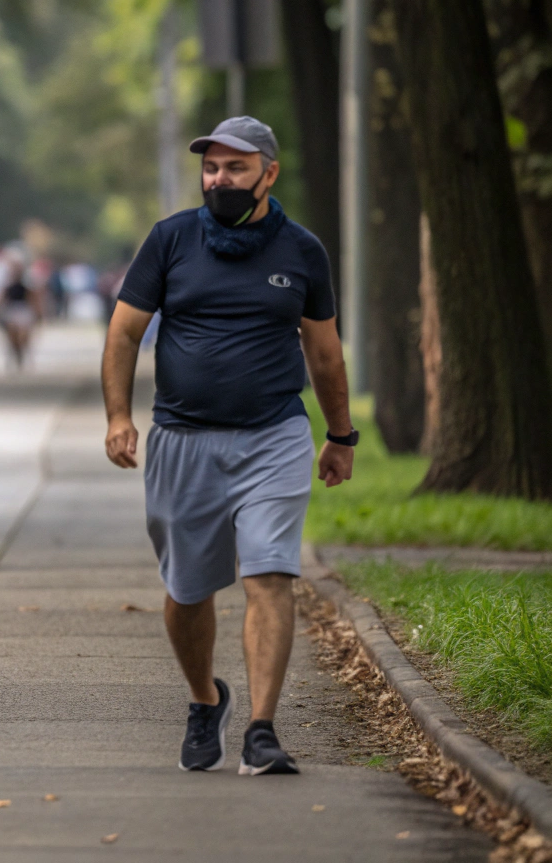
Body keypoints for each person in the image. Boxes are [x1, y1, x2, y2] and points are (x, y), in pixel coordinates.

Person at [100, 116, 355, 777]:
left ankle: (262, 731)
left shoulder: (301, 252)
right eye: (210, 169)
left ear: (267, 174)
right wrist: (117, 417)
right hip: (182, 440)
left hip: (272, 435)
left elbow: (323, 354)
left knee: (269, 573)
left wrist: (340, 435)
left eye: (234, 169)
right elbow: (125, 333)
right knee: (186, 591)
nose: (218, 180)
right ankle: (203, 699)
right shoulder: (170, 241)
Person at [0, 260, 43, 369]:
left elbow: (32, 298)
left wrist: (38, 312)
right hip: (12, 310)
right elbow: (3, 299)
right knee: (12, 337)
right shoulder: (8, 285)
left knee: (24, 337)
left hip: (23, 310)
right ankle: (15, 355)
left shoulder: (28, 284)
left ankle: (23, 355)